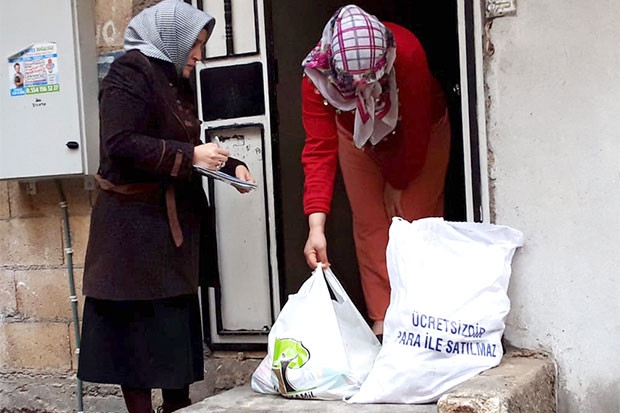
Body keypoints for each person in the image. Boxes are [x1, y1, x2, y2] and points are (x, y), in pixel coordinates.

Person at [77, 1, 255, 412]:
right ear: (172, 40)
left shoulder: (174, 77)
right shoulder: (129, 73)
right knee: (135, 346)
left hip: (169, 238)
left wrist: (231, 165)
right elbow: (119, 143)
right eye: (195, 45)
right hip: (132, 236)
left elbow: (185, 141)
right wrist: (191, 157)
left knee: (173, 339)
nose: (199, 55)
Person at [300, 5, 451, 339]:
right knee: (371, 222)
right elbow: (318, 150)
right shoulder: (317, 77)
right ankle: (383, 320)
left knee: (413, 220)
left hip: (421, 129)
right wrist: (316, 225)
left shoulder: (407, 51)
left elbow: (415, 130)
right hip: (357, 138)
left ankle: (423, 317)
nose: (362, 92)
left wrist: (399, 180)